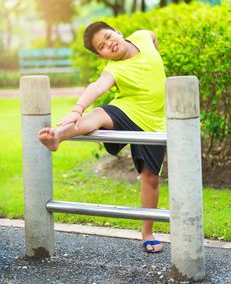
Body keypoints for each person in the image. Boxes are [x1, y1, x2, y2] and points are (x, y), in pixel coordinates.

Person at [38, 21, 166, 253]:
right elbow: (97, 87)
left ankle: (147, 233)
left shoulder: (143, 36)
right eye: (103, 46)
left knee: (151, 178)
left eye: (108, 37)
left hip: (155, 123)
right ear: (101, 56)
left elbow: (153, 36)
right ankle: (59, 136)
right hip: (128, 110)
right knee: (98, 114)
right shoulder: (113, 69)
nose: (109, 44)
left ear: (118, 31)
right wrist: (78, 109)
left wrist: (156, 56)